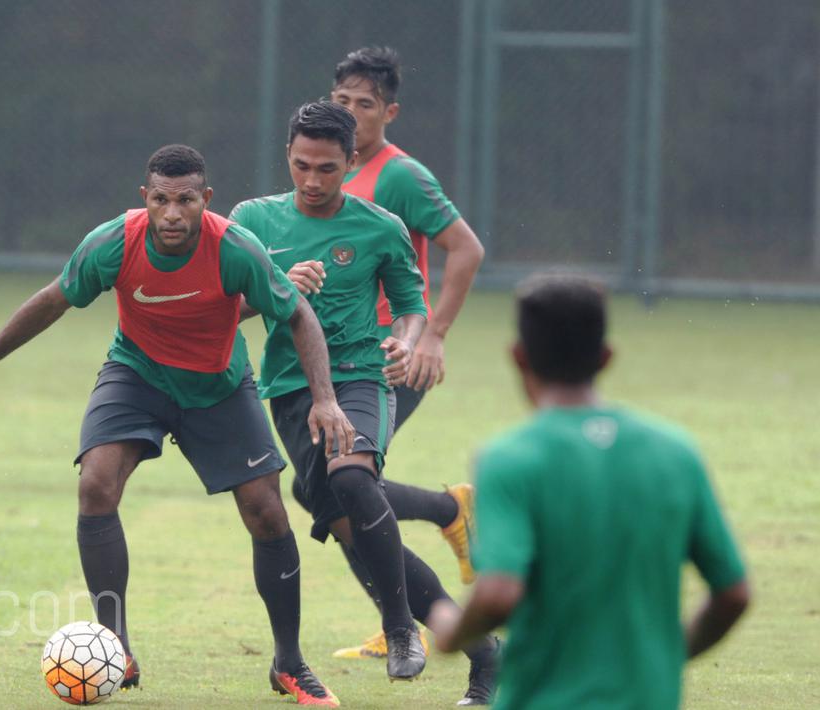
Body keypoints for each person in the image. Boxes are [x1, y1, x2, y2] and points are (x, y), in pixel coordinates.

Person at [0, 144, 353, 707]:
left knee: (266, 510)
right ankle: (116, 646)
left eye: (186, 200)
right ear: (145, 199)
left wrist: (324, 400)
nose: (173, 213)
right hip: (137, 375)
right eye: (161, 200)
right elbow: (53, 301)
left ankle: (289, 664)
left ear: (205, 200)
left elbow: (298, 314)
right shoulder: (113, 243)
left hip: (218, 386)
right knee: (95, 484)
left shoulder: (234, 248)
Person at [230, 102, 500, 703]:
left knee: (354, 478)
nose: (312, 180)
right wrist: (278, 290)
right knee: (357, 525)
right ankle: (486, 654)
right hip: (289, 388)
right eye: (302, 166)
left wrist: (405, 345)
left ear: (351, 161)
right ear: (288, 157)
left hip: (359, 375)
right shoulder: (251, 220)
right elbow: (228, 306)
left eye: (327, 168)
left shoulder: (380, 226)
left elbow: (410, 306)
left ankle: (400, 629)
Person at [430, 274, 751, 709]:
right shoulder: (675, 453)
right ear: (607, 357)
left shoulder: (511, 459)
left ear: (518, 356)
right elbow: (733, 593)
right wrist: (668, 656)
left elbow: (498, 593)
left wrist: (452, 634)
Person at [323, 45, 488, 662]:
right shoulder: (336, 170)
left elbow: (465, 249)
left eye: (364, 104)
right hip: (341, 353)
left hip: (393, 353)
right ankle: (403, 615)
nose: (351, 112)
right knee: (337, 492)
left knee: (346, 487)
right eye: (341, 100)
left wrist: (435, 334)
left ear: (388, 112)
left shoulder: (400, 174)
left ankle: (417, 597)